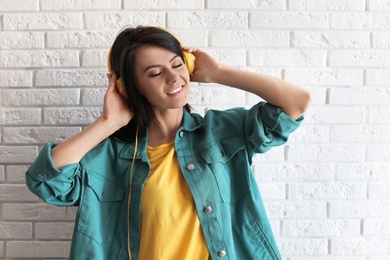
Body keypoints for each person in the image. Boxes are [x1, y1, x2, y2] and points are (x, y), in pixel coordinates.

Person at [26, 25, 312, 260]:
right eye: (155, 73)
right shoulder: (106, 157)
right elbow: (46, 179)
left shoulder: (222, 132)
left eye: (177, 64)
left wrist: (219, 73)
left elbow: (297, 103)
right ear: (128, 86)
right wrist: (108, 123)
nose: (174, 77)